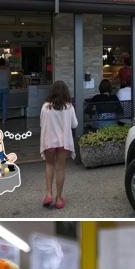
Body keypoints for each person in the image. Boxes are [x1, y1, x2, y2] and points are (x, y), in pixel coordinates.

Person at [40, 80, 78, 210]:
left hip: (49, 141)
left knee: (49, 165)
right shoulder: (69, 107)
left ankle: (49, 194)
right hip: (63, 142)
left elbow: (41, 123)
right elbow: (75, 125)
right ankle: (59, 199)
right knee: (60, 168)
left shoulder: (45, 107)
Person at [0, 58, 11, 124]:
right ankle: (3, 120)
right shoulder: (8, 71)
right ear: (5, 63)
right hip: (6, 88)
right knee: (4, 105)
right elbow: (9, 80)